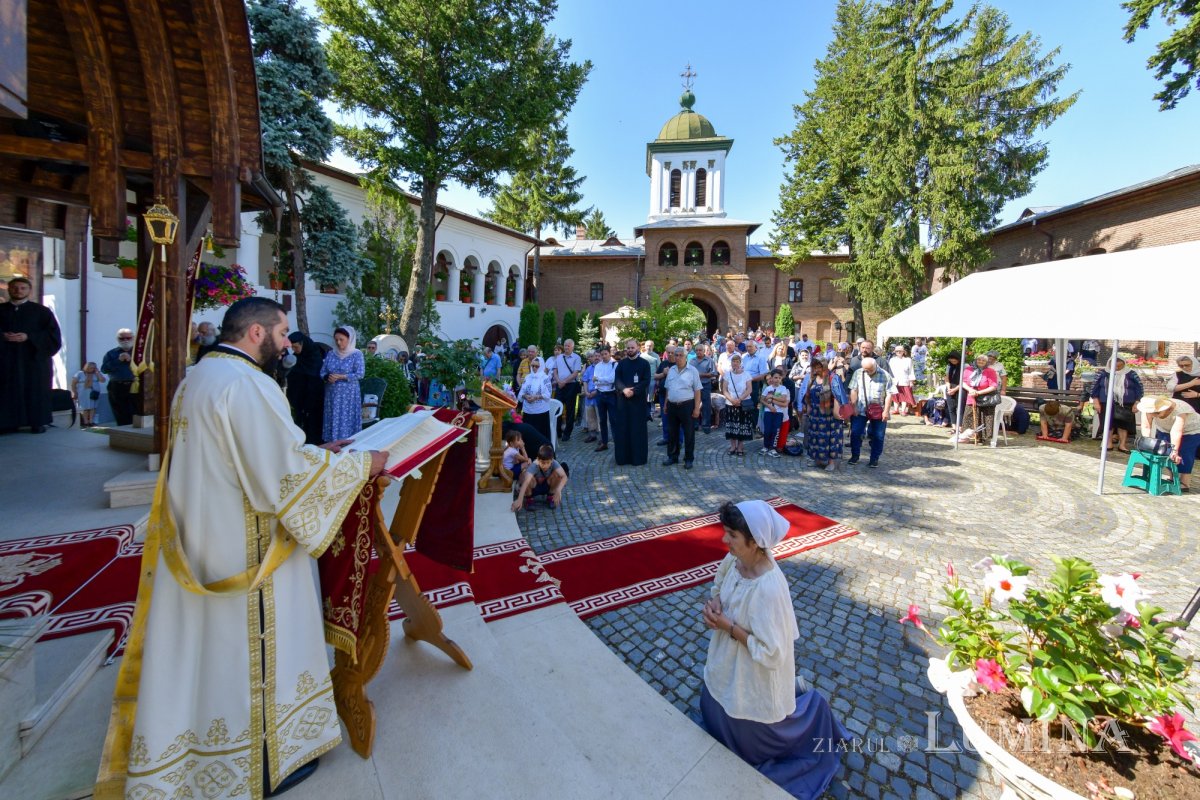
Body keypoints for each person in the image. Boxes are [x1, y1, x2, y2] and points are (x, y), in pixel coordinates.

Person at [95, 297, 389, 799]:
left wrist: (318, 452)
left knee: (211, 655)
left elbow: (254, 455)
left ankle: (205, 752)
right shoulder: (249, 385)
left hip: (205, 536)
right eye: (280, 334)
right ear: (256, 333)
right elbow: (283, 480)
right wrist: (364, 465)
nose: (287, 344)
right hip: (247, 552)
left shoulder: (200, 376)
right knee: (248, 653)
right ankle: (263, 758)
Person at [700, 500, 849, 799]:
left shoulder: (769, 588)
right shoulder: (733, 560)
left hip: (753, 672)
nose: (723, 539)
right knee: (716, 701)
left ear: (755, 542)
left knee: (753, 727)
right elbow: (719, 584)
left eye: (731, 534)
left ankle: (814, 710)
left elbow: (772, 654)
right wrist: (715, 603)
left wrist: (728, 626)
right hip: (726, 660)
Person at [0, 276, 62, 434]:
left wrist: (29, 337)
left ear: (29, 291)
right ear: (9, 290)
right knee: (6, 390)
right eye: (15, 288)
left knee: (35, 390)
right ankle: (7, 423)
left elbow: (53, 336)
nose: (18, 291)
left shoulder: (42, 312)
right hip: (5, 360)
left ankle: (37, 422)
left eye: (23, 288)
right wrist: (2, 336)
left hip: (34, 361)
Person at [1138, 395, 1200, 492]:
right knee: (1166, 451)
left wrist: (1175, 450)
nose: (1154, 415)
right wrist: (1147, 443)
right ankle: (1172, 478)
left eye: (1157, 412)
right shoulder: (1147, 407)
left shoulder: (1181, 409)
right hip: (1164, 429)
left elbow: (1176, 431)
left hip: (1191, 431)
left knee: (1184, 453)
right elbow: (1146, 426)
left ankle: (1185, 482)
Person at [847, 357, 895, 467]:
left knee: (878, 436)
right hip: (860, 408)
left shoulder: (885, 375)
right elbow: (854, 389)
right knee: (855, 433)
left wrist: (886, 411)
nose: (867, 372)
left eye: (869, 370)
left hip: (878, 410)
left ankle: (874, 459)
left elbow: (889, 394)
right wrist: (853, 407)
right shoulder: (859, 373)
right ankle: (855, 456)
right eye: (865, 369)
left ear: (875, 366)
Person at [321, 326, 366, 442]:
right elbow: (322, 371)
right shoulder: (331, 353)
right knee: (333, 417)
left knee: (346, 418)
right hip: (332, 395)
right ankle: (332, 443)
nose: (338, 342)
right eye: (336, 340)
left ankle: (347, 443)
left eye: (341, 339)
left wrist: (342, 376)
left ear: (349, 339)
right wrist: (327, 377)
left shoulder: (357, 354)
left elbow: (360, 374)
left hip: (348, 395)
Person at [1091, 356, 1143, 453]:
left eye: (1119, 367)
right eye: (1114, 366)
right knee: (1108, 423)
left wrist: (1137, 402)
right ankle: (1108, 443)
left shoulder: (1131, 374)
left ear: (1123, 364)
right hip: (1105, 401)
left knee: (1123, 425)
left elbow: (1139, 388)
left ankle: (1122, 445)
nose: (1117, 369)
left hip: (1125, 403)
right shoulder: (1102, 374)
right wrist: (1095, 401)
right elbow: (1094, 387)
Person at [613, 339, 652, 465]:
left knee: (637, 430)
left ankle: (638, 458)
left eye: (632, 347)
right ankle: (623, 458)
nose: (630, 350)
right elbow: (617, 379)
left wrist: (634, 391)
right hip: (623, 402)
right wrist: (624, 389)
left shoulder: (644, 364)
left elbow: (646, 380)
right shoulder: (621, 364)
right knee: (623, 429)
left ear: (637, 348)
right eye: (628, 348)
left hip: (638, 402)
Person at [662, 347, 702, 469]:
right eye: (676, 355)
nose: (677, 357)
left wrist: (696, 408)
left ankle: (688, 459)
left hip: (687, 405)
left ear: (686, 357)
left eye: (680, 355)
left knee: (689, 433)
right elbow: (668, 388)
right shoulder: (671, 370)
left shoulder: (693, 371)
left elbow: (697, 390)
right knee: (672, 432)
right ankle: (673, 456)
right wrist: (665, 404)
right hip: (672, 405)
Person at [802, 360, 846, 470]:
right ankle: (817, 460)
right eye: (814, 367)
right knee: (815, 437)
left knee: (831, 438)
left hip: (829, 415)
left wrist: (836, 412)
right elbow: (808, 394)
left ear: (824, 366)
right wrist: (808, 406)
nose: (816, 369)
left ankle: (831, 462)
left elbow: (838, 396)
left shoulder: (833, 378)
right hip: (815, 414)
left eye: (818, 367)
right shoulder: (812, 378)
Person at [286, 331, 326, 445]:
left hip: (314, 399)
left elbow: (316, 378)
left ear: (303, 344)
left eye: (296, 347)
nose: (294, 350)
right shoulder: (295, 358)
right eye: (292, 347)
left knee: (313, 426)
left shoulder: (315, 356)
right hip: (299, 400)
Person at [511, 444, 568, 511]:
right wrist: (519, 500)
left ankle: (550, 496)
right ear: (538, 460)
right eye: (543, 463)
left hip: (547, 485)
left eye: (548, 463)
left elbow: (564, 476)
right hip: (534, 487)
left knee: (558, 475)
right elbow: (526, 482)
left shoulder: (554, 463)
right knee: (525, 476)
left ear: (552, 460)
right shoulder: (534, 465)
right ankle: (529, 498)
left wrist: (558, 490)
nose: (545, 466)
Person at [958, 354, 1000, 444]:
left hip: (985, 398)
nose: (980, 362)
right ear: (976, 360)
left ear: (986, 362)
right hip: (971, 395)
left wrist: (978, 393)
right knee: (969, 416)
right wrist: (971, 390)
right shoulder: (968, 369)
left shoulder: (990, 371)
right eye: (979, 360)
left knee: (983, 417)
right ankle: (967, 436)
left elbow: (993, 386)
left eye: (983, 360)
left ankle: (981, 438)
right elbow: (963, 382)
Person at [101, 328, 138, 427]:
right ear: (118, 339)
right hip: (116, 387)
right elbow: (104, 369)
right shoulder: (111, 353)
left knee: (136, 413)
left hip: (135, 386)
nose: (125, 340)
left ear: (133, 338)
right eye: (122, 338)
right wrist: (118, 360)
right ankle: (123, 435)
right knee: (120, 414)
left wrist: (131, 360)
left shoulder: (139, 352)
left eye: (128, 338)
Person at [722, 353, 755, 457]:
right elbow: (724, 390)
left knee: (742, 426)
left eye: (737, 361)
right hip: (730, 403)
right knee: (731, 425)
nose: (735, 363)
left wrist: (739, 400)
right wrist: (732, 400)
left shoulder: (746, 374)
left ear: (740, 363)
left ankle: (740, 447)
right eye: (733, 361)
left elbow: (749, 389)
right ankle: (733, 446)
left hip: (743, 403)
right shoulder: (727, 374)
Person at [517, 355, 554, 443]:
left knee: (540, 436)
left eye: (537, 366)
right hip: (528, 411)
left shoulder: (545, 378)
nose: (534, 368)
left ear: (541, 366)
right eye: (532, 366)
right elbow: (522, 392)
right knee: (528, 436)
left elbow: (548, 394)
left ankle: (543, 455)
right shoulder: (528, 377)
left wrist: (536, 397)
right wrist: (525, 396)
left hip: (541, 413)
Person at [551, 338, 583, 441]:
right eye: (565, 345)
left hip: (571, 386)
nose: (566, 347)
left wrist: (563, 382)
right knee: (557, 409)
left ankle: (567, 433)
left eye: (568, 345)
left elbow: (575, 373)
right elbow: (555, 371)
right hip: (560, 386)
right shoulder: (559, 357)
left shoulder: (576, 358)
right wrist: (558, 381)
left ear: (572, 347)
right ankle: (558, 431)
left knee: (570, 410)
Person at [592, 347, 617, 452]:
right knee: (602, 420)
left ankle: (617, 441)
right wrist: (601, 380)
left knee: (613, 419)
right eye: (602, 354)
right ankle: (604, 442)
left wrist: (600, 379)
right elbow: (595, 381)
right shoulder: (597, 366)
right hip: (600, 394)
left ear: (609, 354)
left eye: (605, 354)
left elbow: (612, 379)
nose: (603, 356)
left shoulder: (615, 365)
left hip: (611, 395)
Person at [760, 369, 790, 458]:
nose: (777, 379)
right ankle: (766, 446)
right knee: (767, 430)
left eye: (779, 378)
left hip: (779, 413)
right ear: (771, 378)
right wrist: (769, 406)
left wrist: (772, 397)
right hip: (768, 412)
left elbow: (783, 399)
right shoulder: (768, 388)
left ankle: (773, 447)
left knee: (776, 430)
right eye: (775, 377)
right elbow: (762, 399)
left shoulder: (783, 388)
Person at [71, 361, 106, 428]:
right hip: (83, 393)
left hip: (94, 393)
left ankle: (91, 422)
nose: (92, 369)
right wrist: (74, 392)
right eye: (91, 367)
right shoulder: (80, 373)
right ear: (87, 367)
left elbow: (102, 380)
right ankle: (85, 422)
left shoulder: (96, 374)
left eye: (94, 368)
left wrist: (98, 372)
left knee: (93, 407)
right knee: (85, 408)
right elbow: (73, 383)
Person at [693, 343, 717, 433]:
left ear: (704, 351)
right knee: (694, 405)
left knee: (706, 406)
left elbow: (714, 373)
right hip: (694, 386)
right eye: (697, 350)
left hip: (705, 385)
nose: (698, 352)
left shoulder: (709, 360)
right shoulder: (692, 361)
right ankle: (695, 424)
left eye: (700, 350)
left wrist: (701, 375)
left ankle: (706, 425)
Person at [888, 346, 915, 415]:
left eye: (900, 351)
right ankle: (896, 409)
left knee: (904, 396)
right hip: (894, 380)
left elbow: (911, 371)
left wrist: (911, 381)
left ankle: (903, 410)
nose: (899, 352)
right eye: (897, 351)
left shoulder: (908, 360)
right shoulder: (892, 360)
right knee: (895, 395)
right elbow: (889, 371)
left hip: (904, 380)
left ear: (903, 352)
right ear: (895, 352)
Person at [581, 350, 600, 442]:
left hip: (599, 396)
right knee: (590, 417)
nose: (596, 357)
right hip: (588, 396)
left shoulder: (603, 368)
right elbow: (585, 380)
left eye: (598, 356)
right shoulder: (589, 368)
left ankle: (602, 437)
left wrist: (595, 392)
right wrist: (586, 392)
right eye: (595, 356)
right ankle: (592, 435)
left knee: (600, 417)